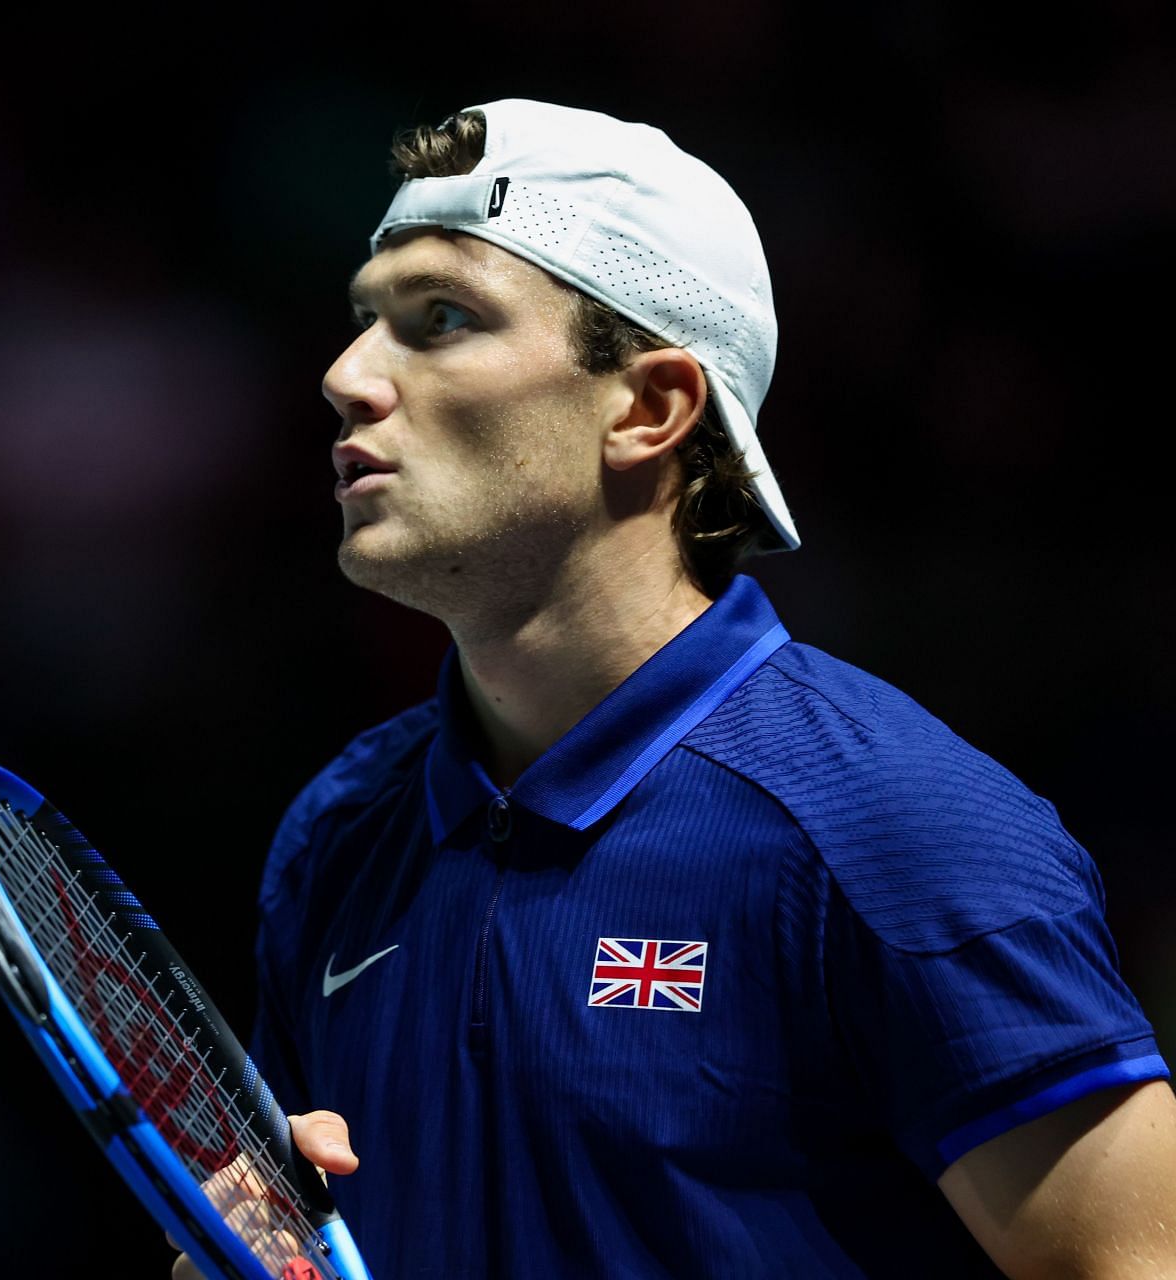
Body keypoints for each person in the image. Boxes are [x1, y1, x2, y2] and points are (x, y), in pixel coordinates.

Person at [172, 99, 1176, 1278]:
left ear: (648, 407)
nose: (347, 376)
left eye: (440, 318)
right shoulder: (339, 831)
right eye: (363, 322)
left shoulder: (896, 828)